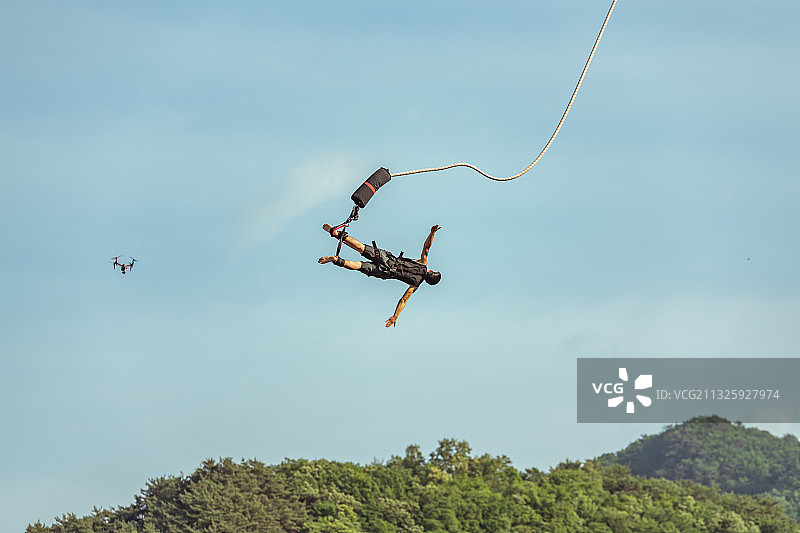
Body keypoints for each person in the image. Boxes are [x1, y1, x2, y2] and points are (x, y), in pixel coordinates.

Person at [319, 223, 442, 327]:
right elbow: (403, 300)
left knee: (361, 247)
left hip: (389, 259)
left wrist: (432, 233)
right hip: (385, 272)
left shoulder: (423, 263)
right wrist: (395, 316)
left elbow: (426, 248)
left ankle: (338, 235)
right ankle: (337, 260)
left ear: (431, 272)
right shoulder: (414, 285)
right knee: (359, 265)